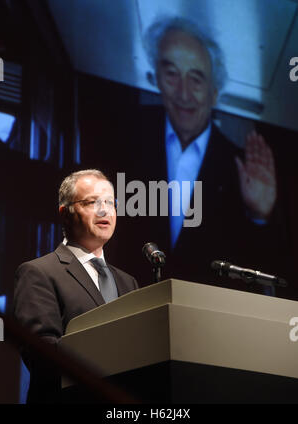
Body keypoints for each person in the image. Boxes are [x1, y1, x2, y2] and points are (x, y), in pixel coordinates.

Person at [114, 16, 288, 292]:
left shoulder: (243, 169)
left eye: (196, 78)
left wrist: (260, 216)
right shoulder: (124, 142)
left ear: (215, 92)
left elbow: (269, 272)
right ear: (156, 78)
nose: (184, 93)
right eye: (172, 74)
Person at [13, 169, 139, 403]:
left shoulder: (128, 282)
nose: (104, 211)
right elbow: (42, 356)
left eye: (110, 203)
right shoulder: (38, 273)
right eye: (92, 202)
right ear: (65, 213)